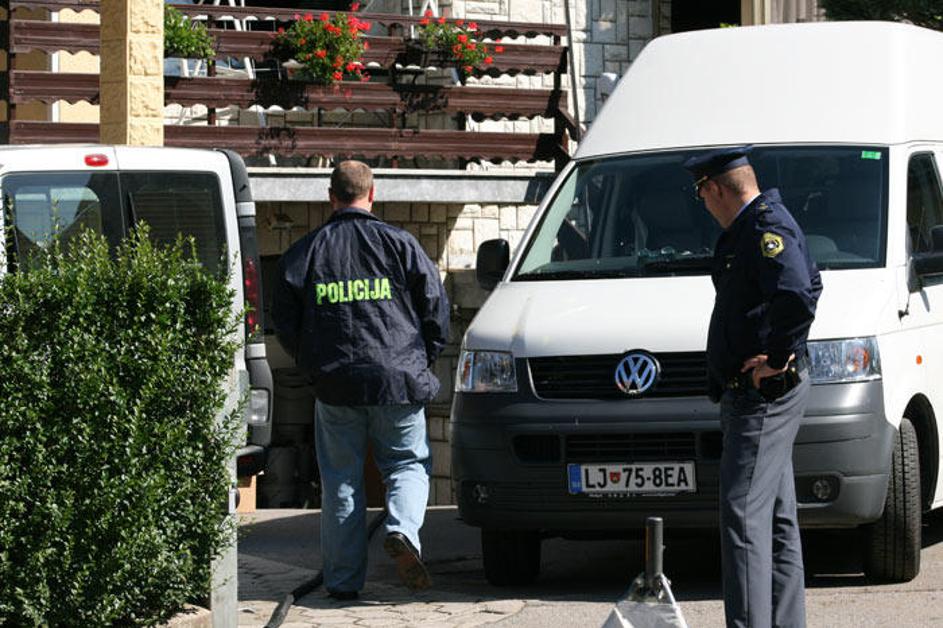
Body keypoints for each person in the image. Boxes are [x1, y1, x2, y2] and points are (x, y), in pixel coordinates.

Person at [272, 160, 450, 599]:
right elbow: (435, 310)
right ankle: (402, 529)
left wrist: (313, 366)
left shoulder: (305, 252)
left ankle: (343, 582)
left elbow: (285, 322)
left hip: (335, 386)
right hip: (398, 380)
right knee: (406, 465)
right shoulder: (402, 245)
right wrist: (418, 361)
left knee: (341, 480)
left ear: (331, 197)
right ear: (372, 195)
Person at [683, 146, 822, 628]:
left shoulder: (764, 227)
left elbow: (798, 293)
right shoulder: (758, 224)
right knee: (776, 521)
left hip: (761, 398)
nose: (703, 204)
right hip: (757, 394)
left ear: (715, 189)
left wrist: (779, 357)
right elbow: (811, 284)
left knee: (742, 517)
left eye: (701, 194)